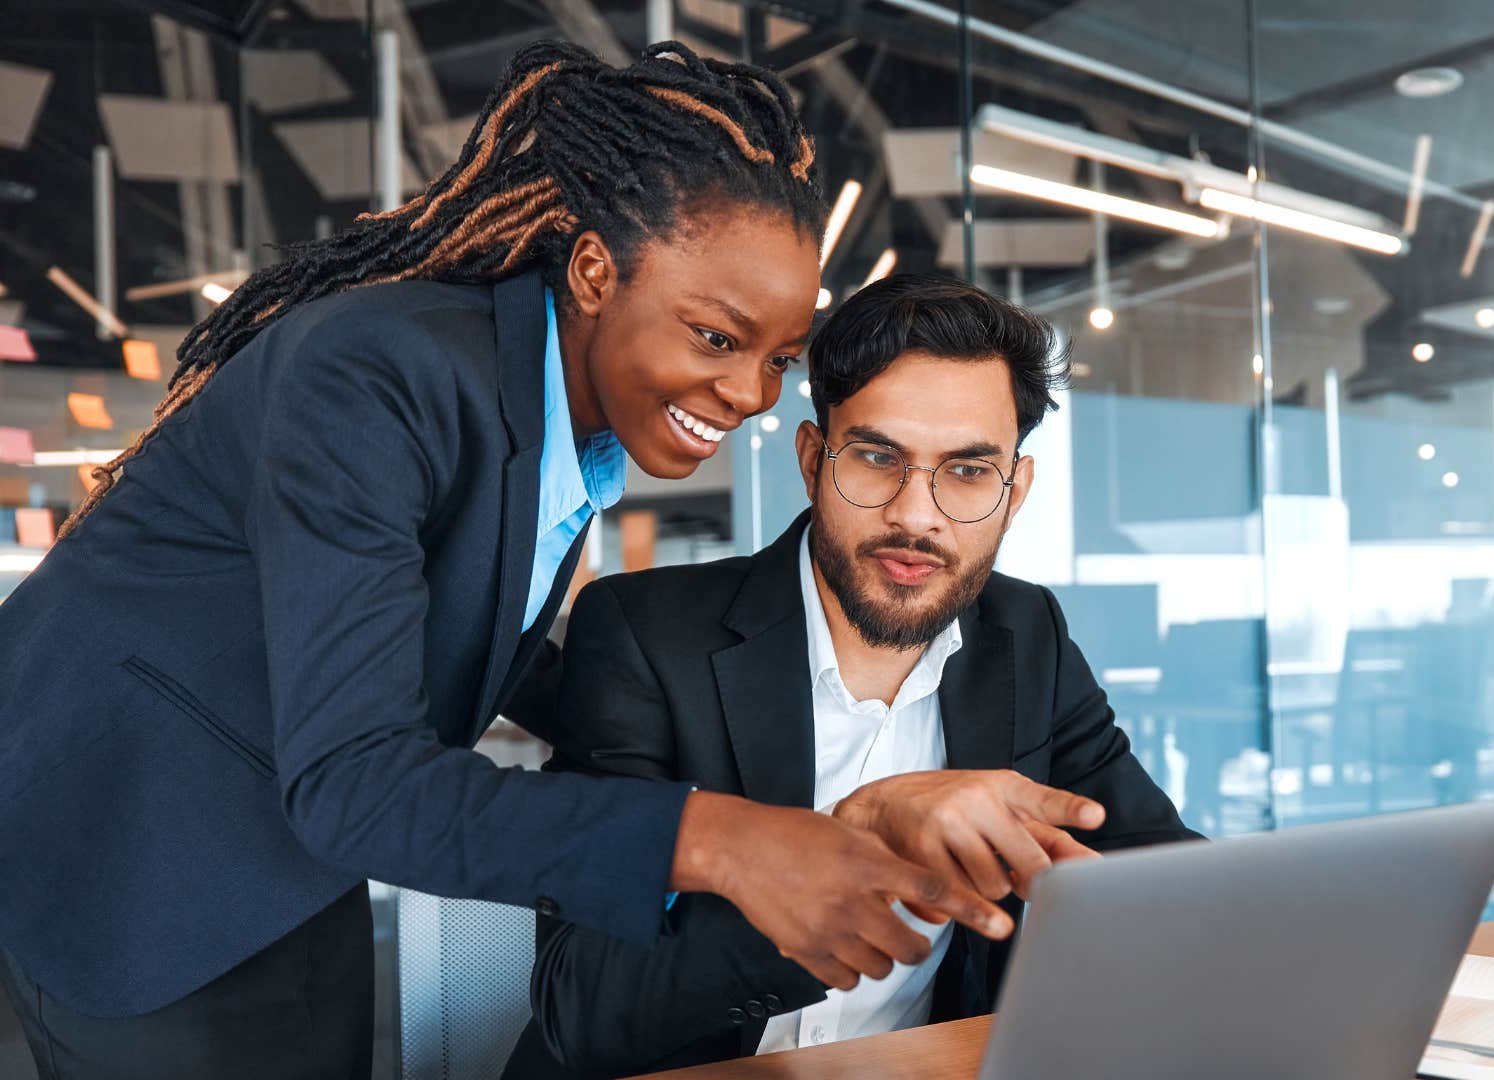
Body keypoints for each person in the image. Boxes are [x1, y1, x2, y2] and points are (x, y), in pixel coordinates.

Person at [0, 44, 1019, 1079]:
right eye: (715, 336)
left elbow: (465, 631)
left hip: (282, 845)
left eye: (777, 359)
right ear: (592, 272)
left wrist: (771, 752)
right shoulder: (377, 375)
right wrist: (718, 838)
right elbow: (357, 782)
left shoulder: (559, 418)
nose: (752, 393)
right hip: (121, 840)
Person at [503, 274, 1200, 1078]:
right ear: (812, 459)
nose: (917, 514)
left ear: (1016, 493)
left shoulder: (1025, 636)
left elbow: (1167, 880)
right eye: (876, 458)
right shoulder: (645, 636)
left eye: (969, 472)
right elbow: (583, 1008)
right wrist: (848, 847)